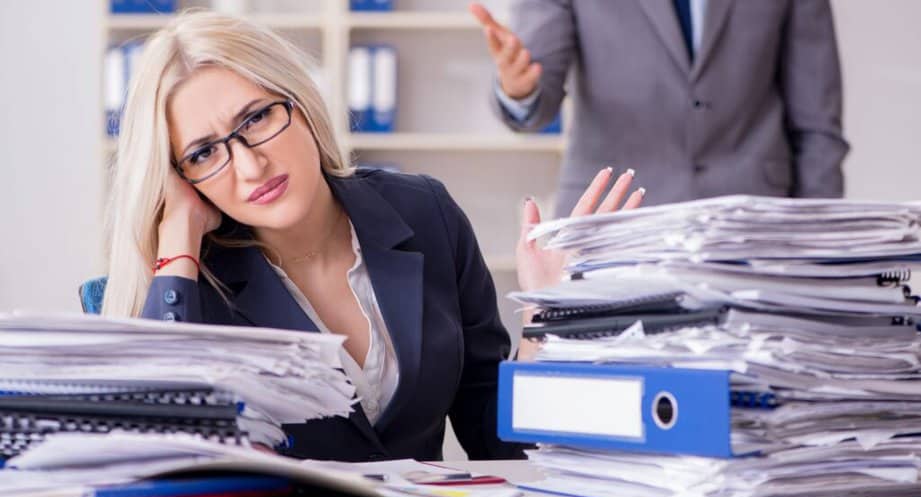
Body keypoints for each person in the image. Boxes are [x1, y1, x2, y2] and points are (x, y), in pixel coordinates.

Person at [102, 11, 644, 462]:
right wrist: (176, 241)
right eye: (203, 153)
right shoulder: (196, 281)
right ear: (178, 177)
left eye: (257, 119)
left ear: (300, 104)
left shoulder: (424, 211)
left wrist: (546, 317)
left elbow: (499, 443)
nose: (249, 166)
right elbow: (161, 457)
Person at [471, 0, 850, 217]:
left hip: (754, 225)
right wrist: (518, 90)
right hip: (612, 225)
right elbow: (538, 86)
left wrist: (817, 246)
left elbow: (818, 126)